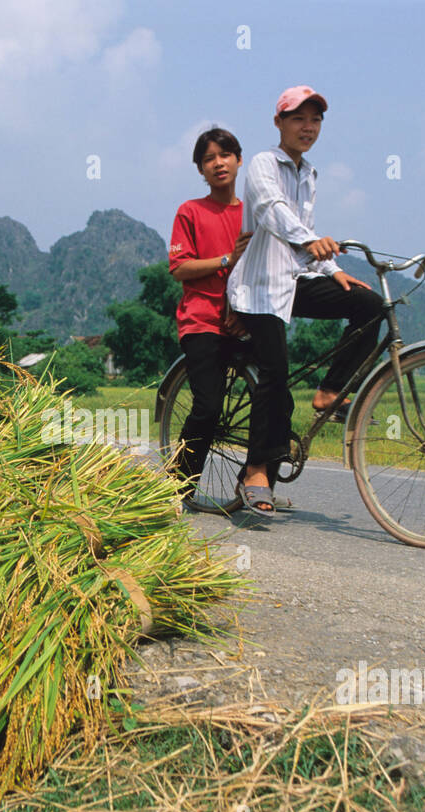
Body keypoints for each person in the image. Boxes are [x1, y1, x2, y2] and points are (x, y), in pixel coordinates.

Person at [225, 85, 385, 515]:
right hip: (257, 288)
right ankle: (257, 471)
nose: (307, 127)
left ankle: (330, 391)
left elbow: (303, 245)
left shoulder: (309, 173)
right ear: (279, 122)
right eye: (298, 118)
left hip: (292, 282)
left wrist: (333, 271)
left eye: (315, 120)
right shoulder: (263, 163)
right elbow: (272, 211)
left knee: (369, 305)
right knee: (275, 374)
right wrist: (312, 240)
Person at [167, 128, 253, 512]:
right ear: (201, 169)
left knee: (275, 394)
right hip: (201, 320)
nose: (218, 163)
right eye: (208, 158)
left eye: (225, 154)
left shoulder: (253, 211)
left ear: (238, 159)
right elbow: (180, 267)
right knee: (207, 407)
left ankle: (254, 482)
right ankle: (175, 488)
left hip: (244, 319)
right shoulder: (191, 211)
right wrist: (225, 260)